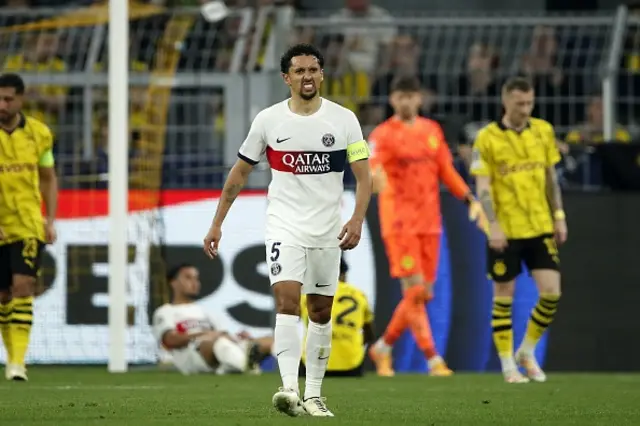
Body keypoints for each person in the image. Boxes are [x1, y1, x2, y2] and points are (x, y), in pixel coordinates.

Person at [203, 43, 372, 417]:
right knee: (287, 303)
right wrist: (217, 223)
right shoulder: (268, 120)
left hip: (328, 229)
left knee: (321, 311)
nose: (307, 76)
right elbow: (240, 173)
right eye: (299, 71)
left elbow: (364, 178)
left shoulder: (344, 120)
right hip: (284, 225)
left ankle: (314, 395)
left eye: (313, 69)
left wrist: (357, 218)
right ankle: (289, 389)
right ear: (287, 78)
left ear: (322, 74)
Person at [367, 76, 487, 377]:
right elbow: (374, 166)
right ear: (393, 100)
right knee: (415, 289)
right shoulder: (383, 134)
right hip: (399, 222)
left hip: (430, 222)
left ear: (419, 99)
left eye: (410, 96)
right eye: (400, 96)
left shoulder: (431, 131)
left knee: (422, 294)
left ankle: (382, 347)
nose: (406, 102)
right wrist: (376, 178)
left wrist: (469, 198)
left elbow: (446, 170)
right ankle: (434, 359)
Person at [470, 76, 567, 384]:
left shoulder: (543, 131)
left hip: (539, 225)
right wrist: (493, 225)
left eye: (529, 103)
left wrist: (559, 215)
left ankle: (527, 351)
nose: (525, 110)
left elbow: (551, 177)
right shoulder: (486, 138)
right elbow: (483, 186)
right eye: (519, 104)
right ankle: (507, 365)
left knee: (552, 292)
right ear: (505, 102)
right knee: (504, 295)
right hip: (506, 230)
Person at [0, 73, 58, 382]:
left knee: (23, 287)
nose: (2, 105)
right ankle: (12, 355)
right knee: (3, 295)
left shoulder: (39, 134)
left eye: (8, 99)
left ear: (21, 99)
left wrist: (50, 220)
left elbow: (48, 177)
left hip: (27, 225)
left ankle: (17, 363)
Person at [152, 263, 270, 376]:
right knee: (219, 342)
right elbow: (170, 340)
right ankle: (245, 366)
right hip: (192, 357)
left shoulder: (205, 311)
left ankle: (234, 365)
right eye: (188, 278)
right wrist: (204, 334)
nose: (194, 283)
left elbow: (222, 334)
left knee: (269, 341)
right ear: (173, 282)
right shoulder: (165, 311)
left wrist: (236, 337)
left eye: (196, 278)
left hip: (217, 349)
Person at [299, 256, 374, 378]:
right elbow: (369, 334)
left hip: (313, 364)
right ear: (344, 274)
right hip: (350, 365)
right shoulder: (360, 295)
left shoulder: (309, 294)